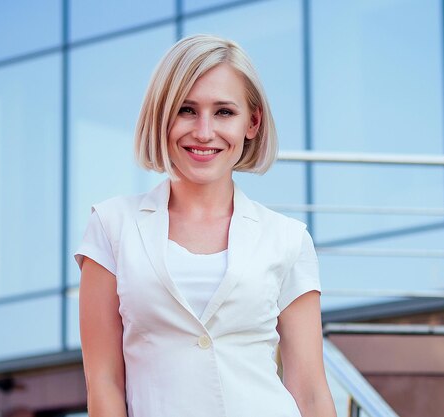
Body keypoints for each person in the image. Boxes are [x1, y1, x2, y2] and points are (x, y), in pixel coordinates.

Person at [75, 34, 336, 417]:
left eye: (224, 112)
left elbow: (310, 390)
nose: (203, 132)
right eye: (186, 110)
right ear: (161, 117)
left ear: (252, 122)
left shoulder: (287, 239)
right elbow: (104, 382)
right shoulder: (111, 227)